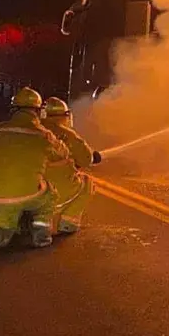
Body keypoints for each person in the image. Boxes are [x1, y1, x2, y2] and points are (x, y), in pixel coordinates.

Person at [0, 87, 70, 255]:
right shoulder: (44, 135)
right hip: (29, 193)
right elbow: (62, 154)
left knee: (5, 225)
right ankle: (41, 234)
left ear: (13, 109)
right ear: (39, 111)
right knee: (50, 195)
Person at [41, 97, 101, 234]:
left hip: (31, 189)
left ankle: (39, 220)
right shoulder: (69, 135)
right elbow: (86, 159)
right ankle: (68, 223)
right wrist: (93, 157)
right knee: (88, 183)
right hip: (54, 193)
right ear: (66, 116)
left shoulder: (35, 131)